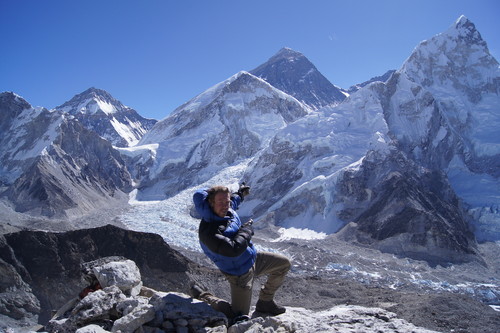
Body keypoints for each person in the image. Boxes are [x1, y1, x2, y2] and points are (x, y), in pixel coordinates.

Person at [192, 184, 291, 320]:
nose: (225, 205)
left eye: (227, 202)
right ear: (210, 203)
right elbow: (234, 249)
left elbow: (234, 200)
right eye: (220, 202)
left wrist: (240, 193)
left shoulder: (227, 209)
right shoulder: (209, 231)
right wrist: (247, 230)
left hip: (252, 258)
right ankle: (204, 296)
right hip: (239, 274)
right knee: (237, 316)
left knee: (284, 264)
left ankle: (265, 302)